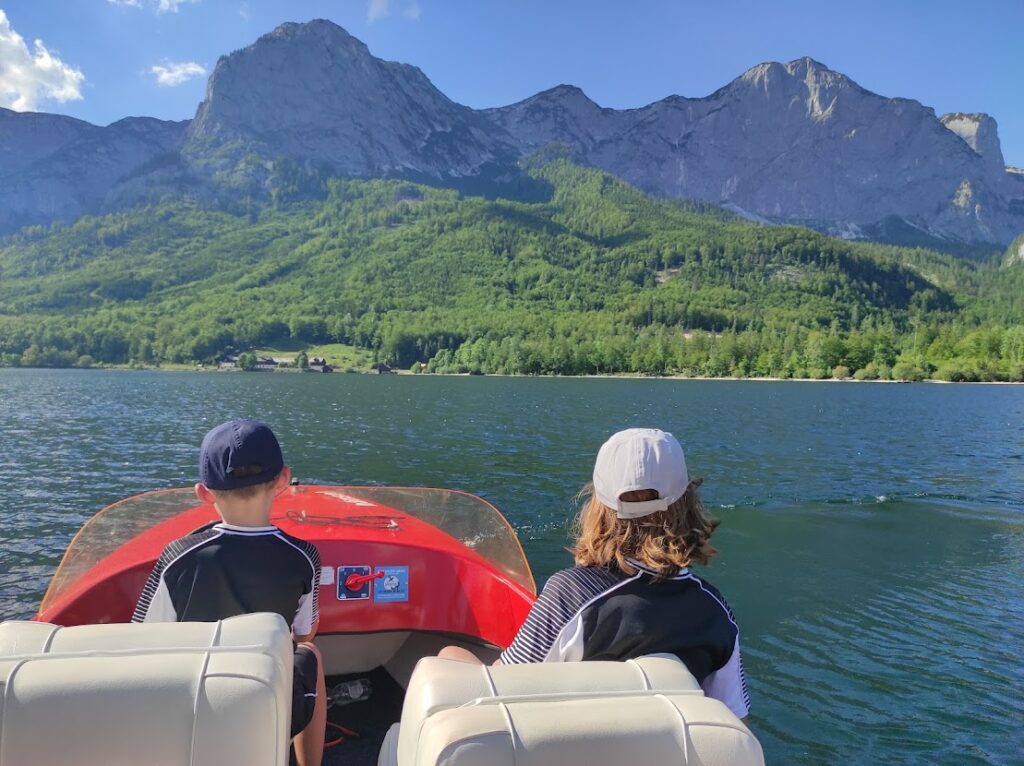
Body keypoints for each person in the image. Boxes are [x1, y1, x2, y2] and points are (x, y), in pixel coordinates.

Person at [440, 427, 750, 721]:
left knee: (449, 655)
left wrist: (453, 657)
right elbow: (736, 721)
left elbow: (503, 689)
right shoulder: (715, 612)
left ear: (597, 508)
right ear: (688, 503)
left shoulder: (571, 596)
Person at [132, 418, 327, 766]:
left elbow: (142, 639)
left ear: (203, 493)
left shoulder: (177, 557)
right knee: (310, 652)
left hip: (191, 705)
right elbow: (304, 631)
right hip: (265, 700)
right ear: (283, 479)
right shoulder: (303, 557)